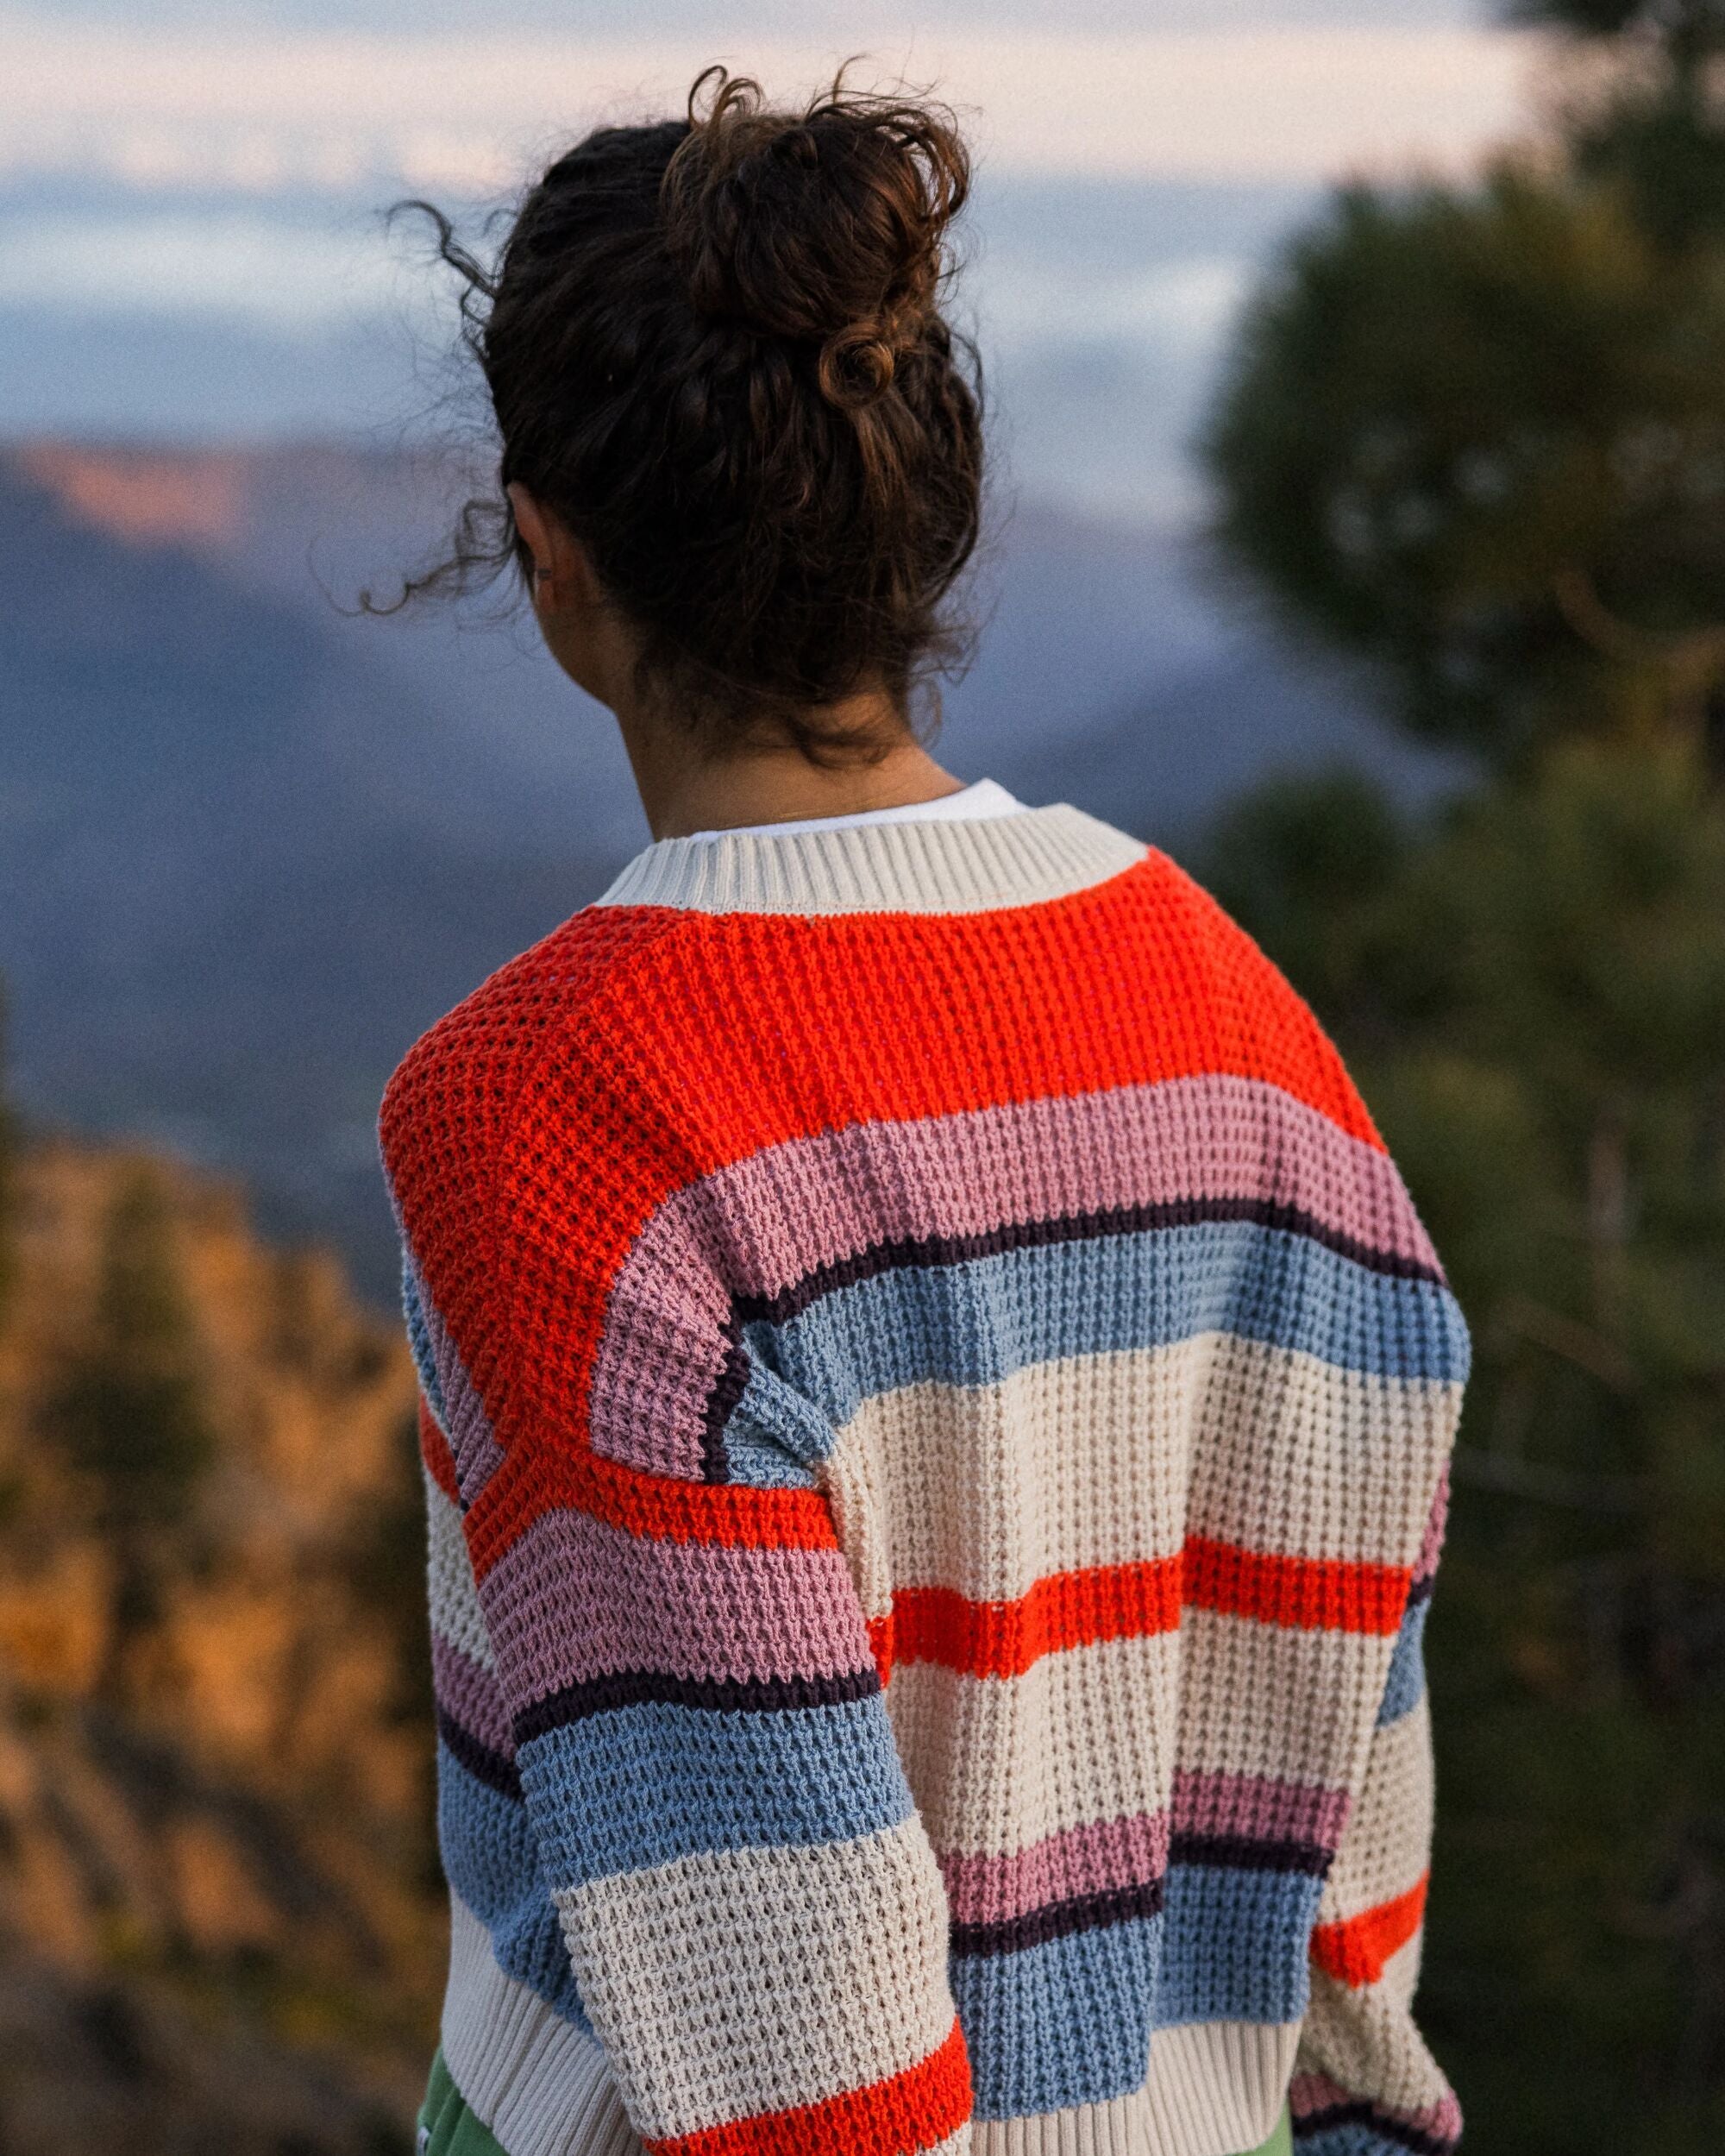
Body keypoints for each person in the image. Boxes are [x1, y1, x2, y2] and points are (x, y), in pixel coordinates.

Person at [378, 66, 1467, 2156]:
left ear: (548, 558)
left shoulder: (552, 1120)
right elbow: (1349, 1864)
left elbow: (802, 2077)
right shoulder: (1244, 1028)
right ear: (922, 529)